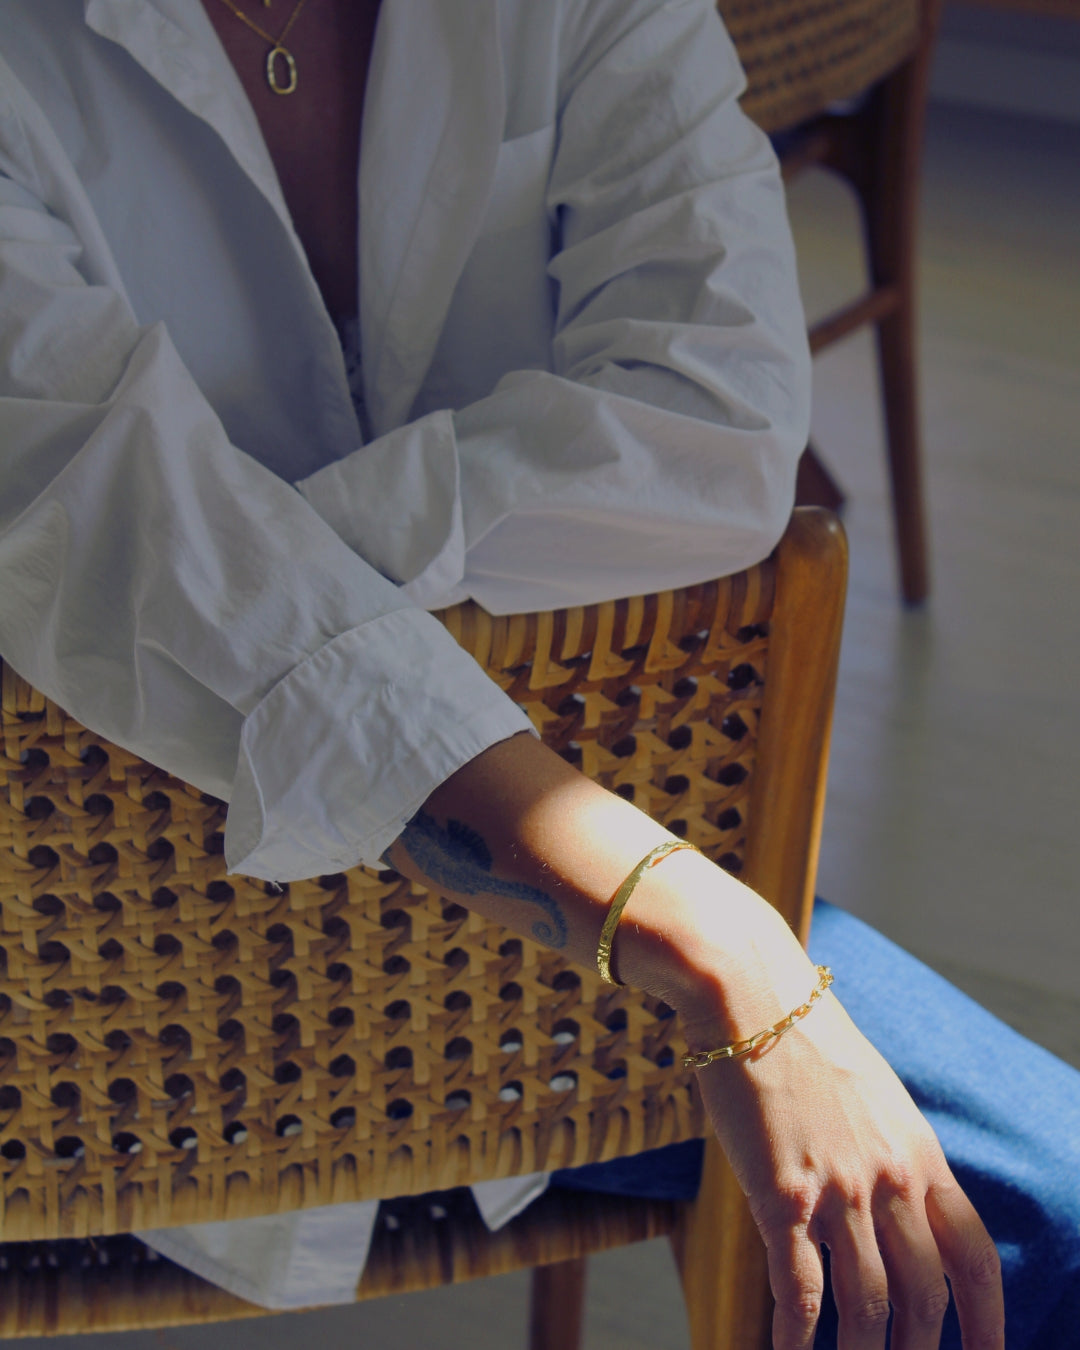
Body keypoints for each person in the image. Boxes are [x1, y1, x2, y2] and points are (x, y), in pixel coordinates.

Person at [1, 2, 1073, 1346]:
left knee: (1055, 1214)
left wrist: (234, 568)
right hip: (76, 975)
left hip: (526, 962)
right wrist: (697, 923)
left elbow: (719, 427)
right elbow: (105, 512)